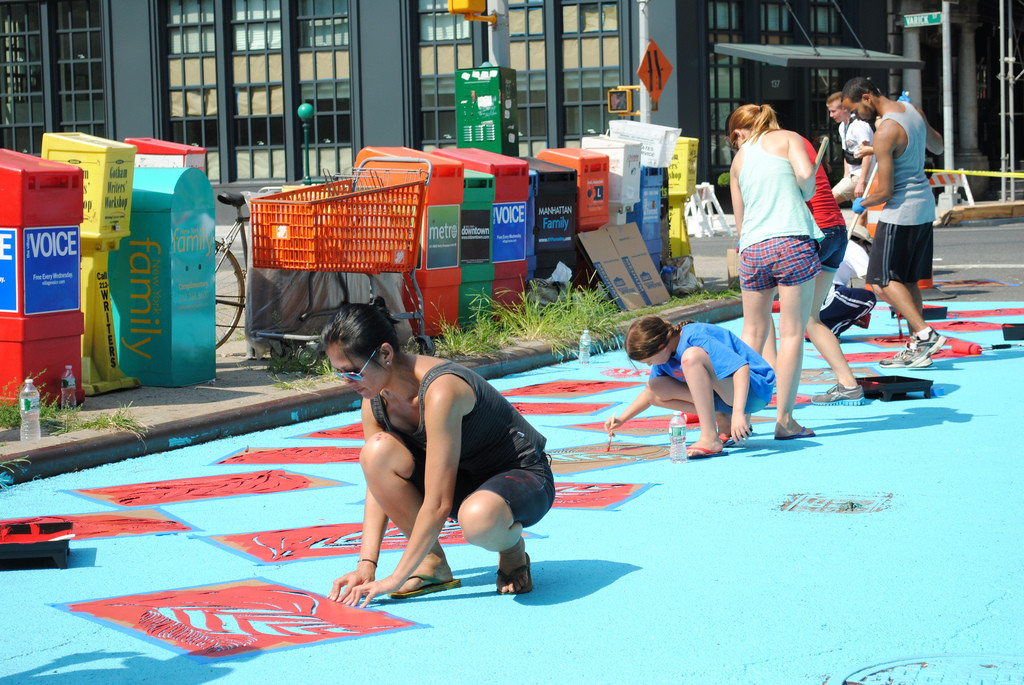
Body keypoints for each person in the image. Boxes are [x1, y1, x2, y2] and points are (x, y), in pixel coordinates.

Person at [323, 301, 555, 606]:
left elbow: (439, 503)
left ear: (385, 354)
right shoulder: (374, 401)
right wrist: (367, 564)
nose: (346, 382)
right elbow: (377, 484)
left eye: (353, 373)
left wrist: (394, 579)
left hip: (520, 476)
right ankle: (432, 563)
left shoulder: (441, 390)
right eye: (338, 372)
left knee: (479, 519)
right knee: (375, 453)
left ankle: (511, 549)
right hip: (462, 478)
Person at [727, 104, 821, 439]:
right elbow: (807, 180)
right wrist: (803, 189)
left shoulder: (739, 161)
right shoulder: (788, 138)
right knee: (793, 332)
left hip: (752, 248)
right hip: (791, 240)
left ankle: (740, 414)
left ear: (740, 132)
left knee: (751, 334)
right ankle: (785, 420)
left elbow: (740, 222)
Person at [842, 77, 946, 368]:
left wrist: (863, 202)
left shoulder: (885, 130)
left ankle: (925, 334)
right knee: (908, 280)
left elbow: (885, 191)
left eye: (855, 109)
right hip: (924, 207)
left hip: (900, 211)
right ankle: (918, 348)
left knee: (881, 280)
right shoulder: (912, 110)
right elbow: (936, 146)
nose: (856, 116)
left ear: (866, 98)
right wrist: (917, 121)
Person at [604, 316, 775, 457]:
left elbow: (741, 368)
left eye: (649, 361)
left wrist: (739, 413)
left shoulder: (695, 336)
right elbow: (650, 394)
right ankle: (723, 419)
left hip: (753, 391)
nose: (650, 365)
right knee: (655, 386)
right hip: (728, 395)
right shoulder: (665, 354)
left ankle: (710, 437)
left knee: (692, 357)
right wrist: (622, 419)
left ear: (660, 346)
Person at [818, 223, 877, 338]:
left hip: (806, 301)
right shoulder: (853, 247)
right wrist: (898, 305)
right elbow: (874, 280)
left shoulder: (827, 242)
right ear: (861, 241)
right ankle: (829, 331)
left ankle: (817, 327)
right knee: (868, 299)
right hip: (826, 297)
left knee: (848, 296)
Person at [827, 91, 874, 223]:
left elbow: (868, 154)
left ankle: (836, 230)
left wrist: (861, 182)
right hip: (853, 174)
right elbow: (846, 154)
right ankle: (858, 240)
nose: (831, 115)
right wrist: (845, 177)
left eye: (833, 111)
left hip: (861, 174)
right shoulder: (843, 127)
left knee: (829, 200)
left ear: (844, 109)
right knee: (859, 212)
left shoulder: (859, 126)